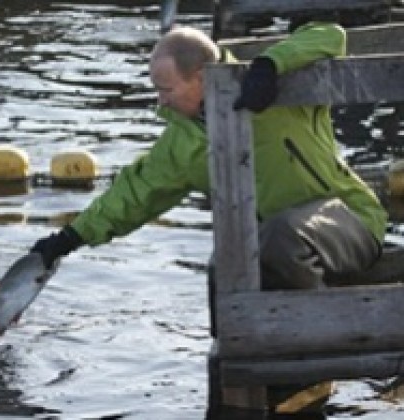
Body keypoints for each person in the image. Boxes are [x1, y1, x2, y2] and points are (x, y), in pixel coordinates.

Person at [27, 20, 388, 415]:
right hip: (278, 250)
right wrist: (67, 240)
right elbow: (133, 194)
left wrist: (270, 66)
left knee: (281, 236)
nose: (159, 101)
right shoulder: (182, 141)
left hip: (347, 221)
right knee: (224, 264)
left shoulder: (271, 84)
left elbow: (330, 35)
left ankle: (311, 363)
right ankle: (238, 387)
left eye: (165, 89)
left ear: (199, 77)